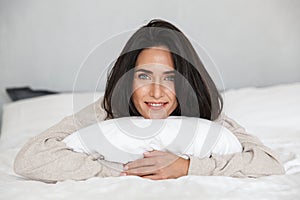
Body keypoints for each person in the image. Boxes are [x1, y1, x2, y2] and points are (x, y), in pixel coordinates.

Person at [14, 19, 285, 183]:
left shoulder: (207, 115)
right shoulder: (104, 111)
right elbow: (30, 158)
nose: (156, 93)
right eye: (144, 76)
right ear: (127, 79)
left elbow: (269, 163)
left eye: (170, 78)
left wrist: (187, 168)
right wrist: (127, 171)